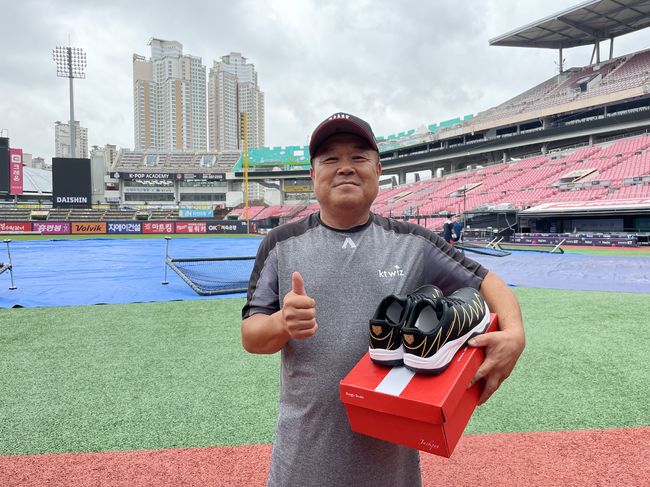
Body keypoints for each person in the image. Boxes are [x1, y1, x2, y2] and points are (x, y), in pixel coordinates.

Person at [241, 113, 525, 487]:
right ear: (313, 175)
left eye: (358, 157)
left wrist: (515, 334)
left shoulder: (414, 243)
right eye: (330, 159)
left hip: (391, 469)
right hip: (301, 463)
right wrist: (281, 323)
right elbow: (251, 336)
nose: (345, 168)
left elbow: (490, 283)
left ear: (378, 170)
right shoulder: (280, 243)